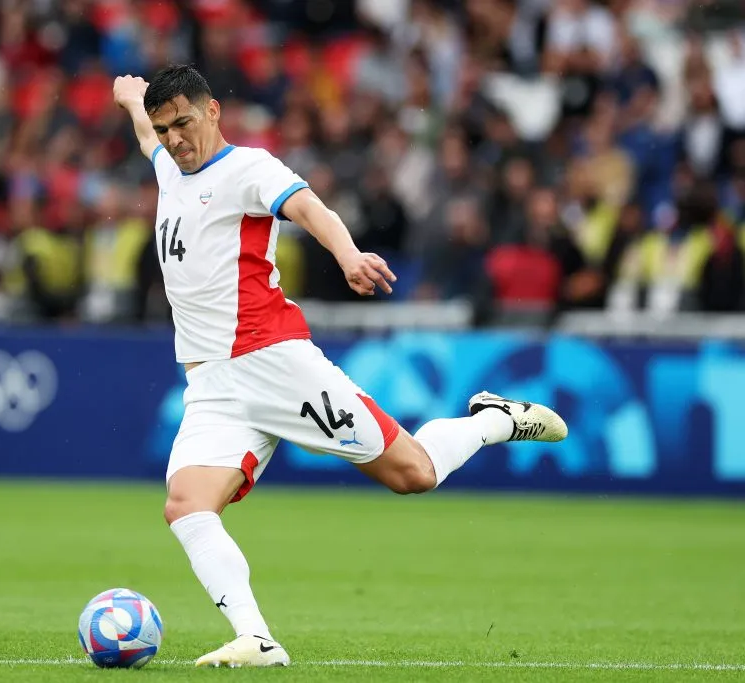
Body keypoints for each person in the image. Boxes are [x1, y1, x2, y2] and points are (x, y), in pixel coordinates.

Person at [113, 65, 568, 668]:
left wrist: (349, 253)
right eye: (166, 127)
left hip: (272, 362)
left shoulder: (248, 169)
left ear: (213, 111)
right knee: (186, 506)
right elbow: (147, 136)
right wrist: (130, 99)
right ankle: (258, 639)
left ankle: (494, 420)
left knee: (415, 474)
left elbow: (307, 207)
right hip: (212, 384)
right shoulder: (169, 165)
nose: (174, 138)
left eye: (185, 123)